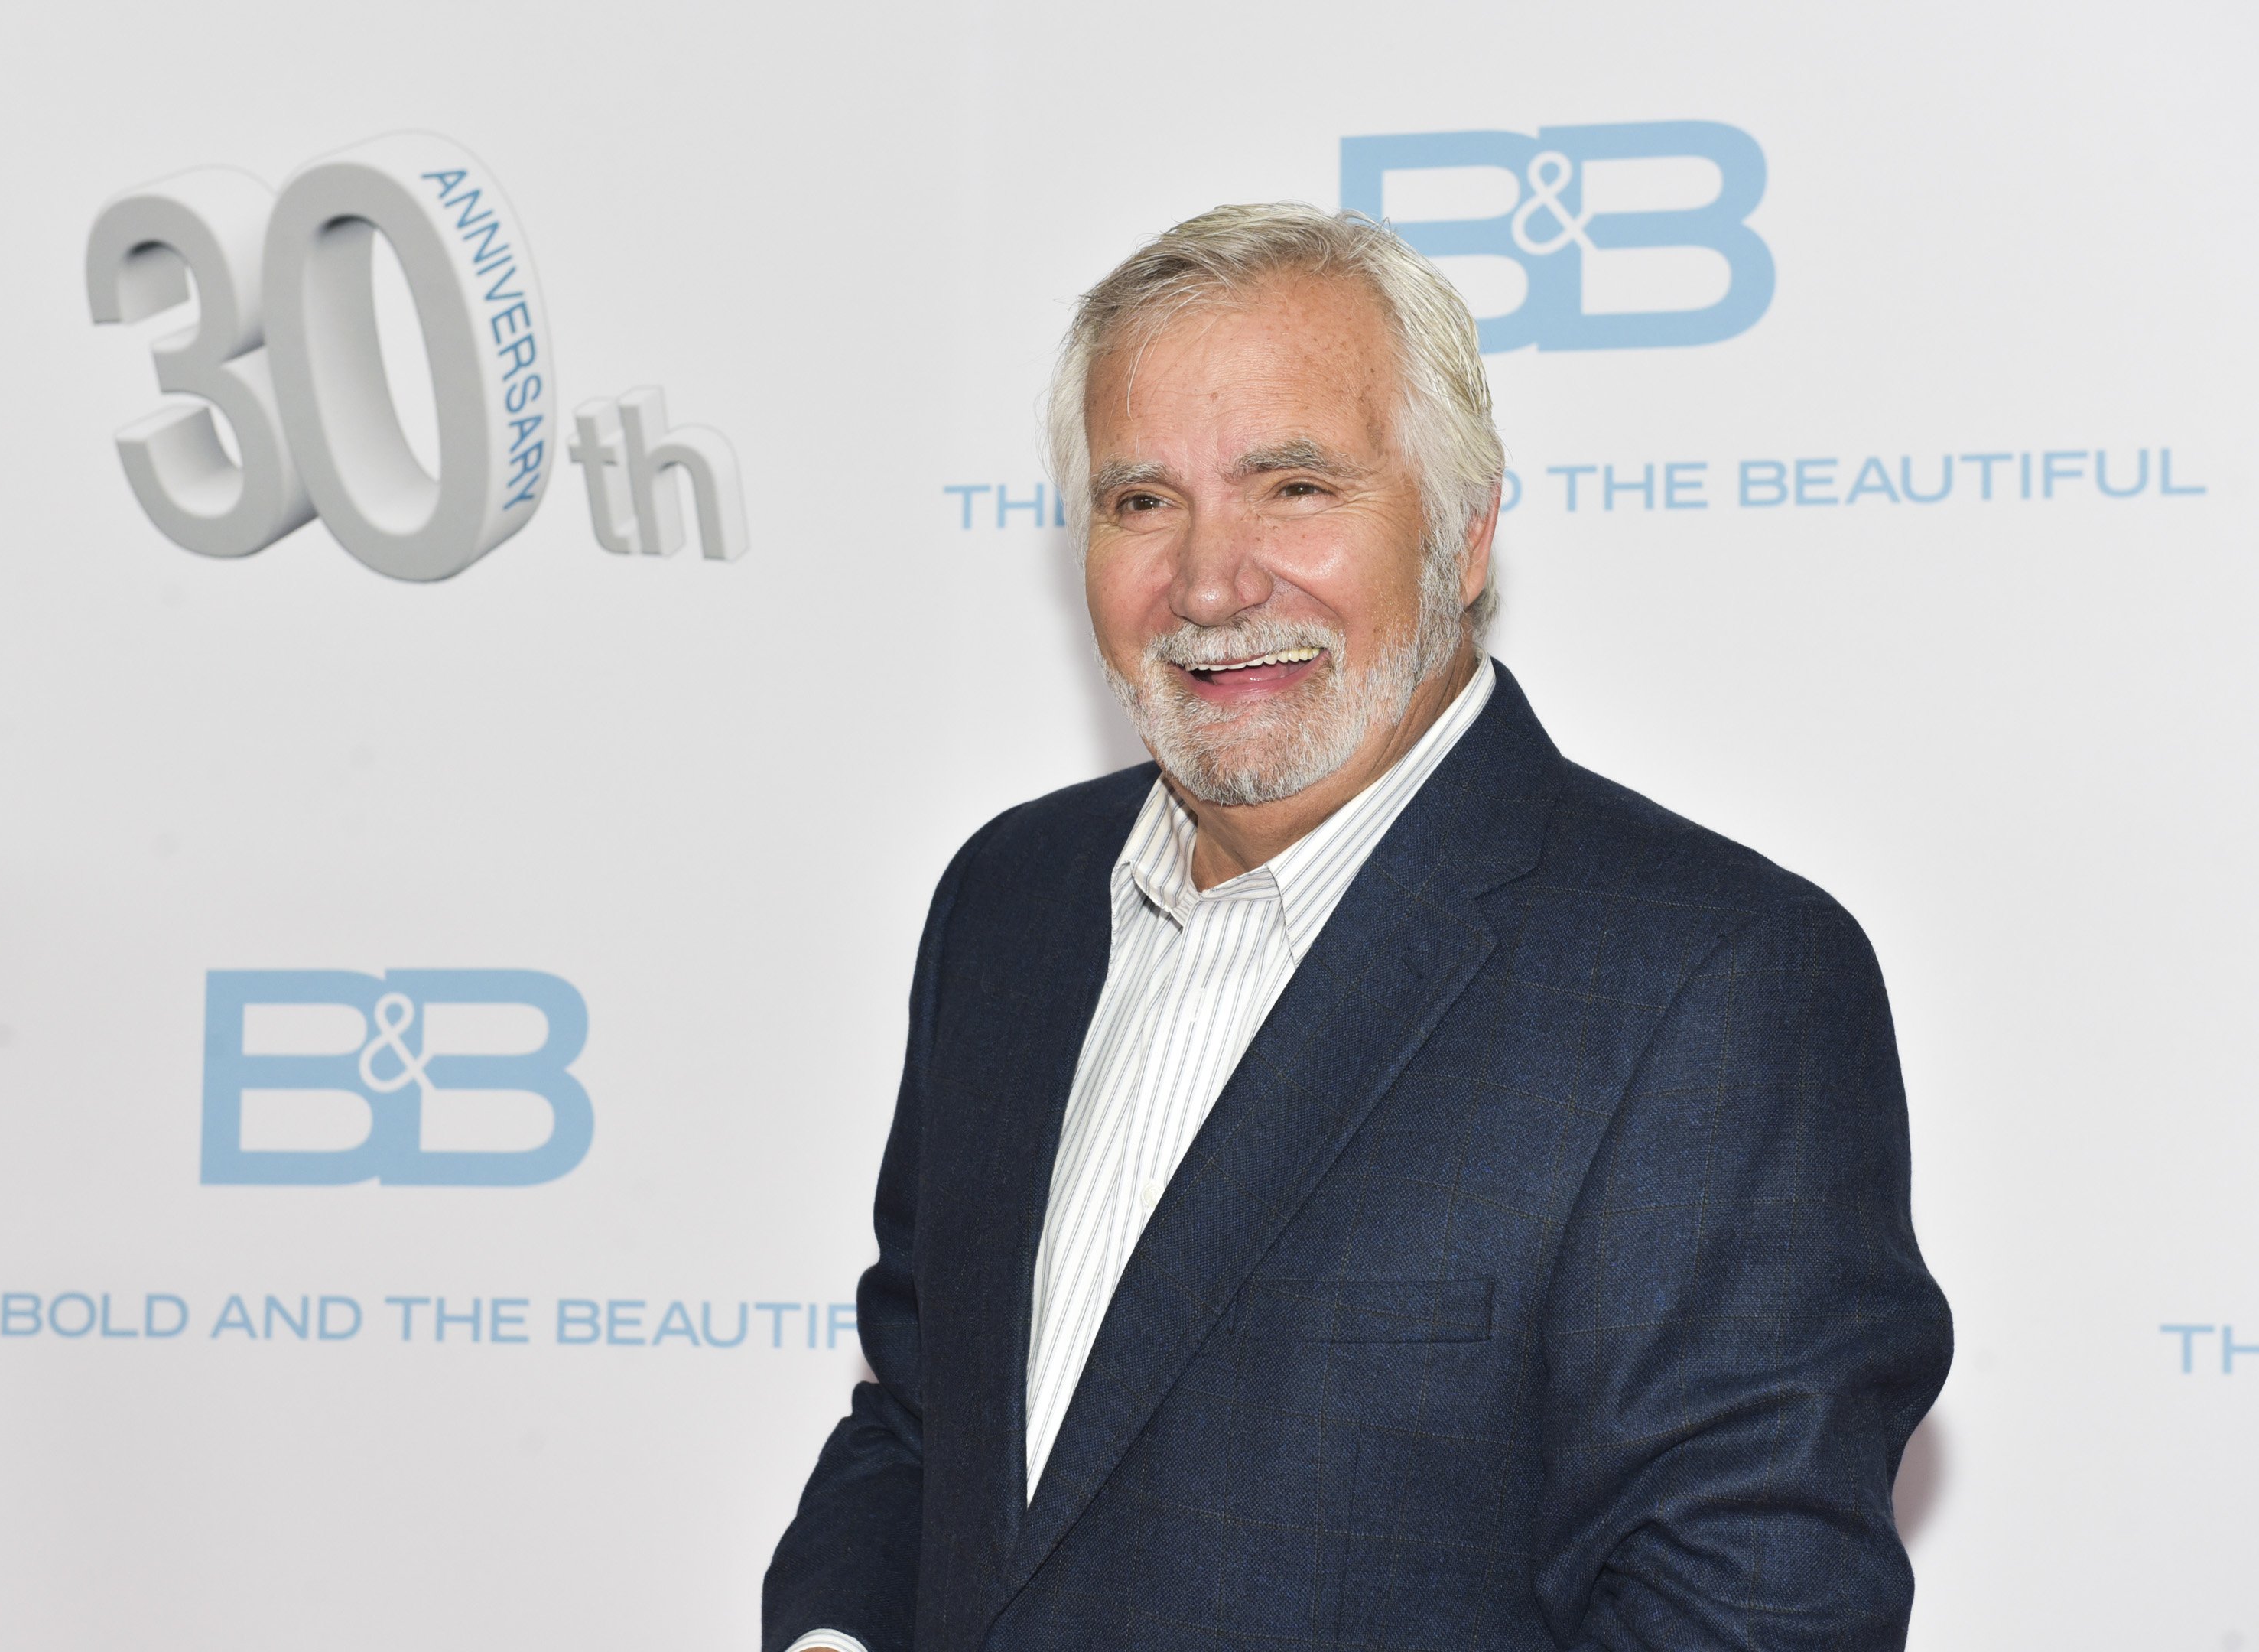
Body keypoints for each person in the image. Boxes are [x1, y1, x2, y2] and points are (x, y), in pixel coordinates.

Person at [763, 203, 1951, 1652]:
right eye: (1143, 501)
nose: (1210, 582)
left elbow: (1750, 1617)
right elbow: (921, 1424)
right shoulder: (1006, 906)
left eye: (1296, 487)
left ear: (1463, 537)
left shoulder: (1712, 984)